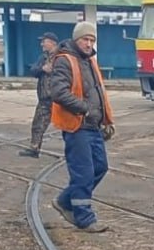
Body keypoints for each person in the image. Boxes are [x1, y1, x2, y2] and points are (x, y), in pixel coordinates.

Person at [48, 20, 115, 233]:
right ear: (76, 40)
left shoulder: (90, 61)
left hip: (93, 126)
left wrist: (105, 120)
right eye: (85, 39)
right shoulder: (65, 61)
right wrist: (84, 108)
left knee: (100, 167)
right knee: (83, 173)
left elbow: (98, 92)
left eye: (92, 39)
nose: (88, 43)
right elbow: (58, 92)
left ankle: (65, 201)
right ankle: (84, 218)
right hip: (76, 126)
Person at [20, 31, 59, 158]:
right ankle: (34, 149)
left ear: (52, 42)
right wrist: (42, 69)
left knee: (69, 125)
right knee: (38, 124)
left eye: (44, 41)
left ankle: (76, 151)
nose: (42, 44)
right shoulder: (43, 57)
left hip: (60, 99)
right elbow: (33, 70)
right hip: (44, 99)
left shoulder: (61, 57)